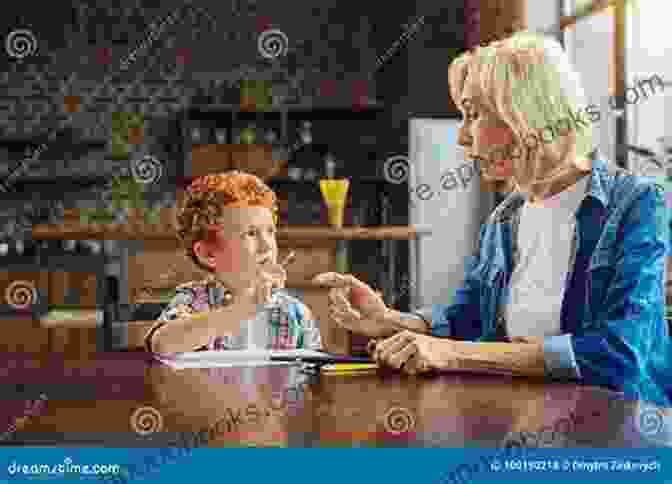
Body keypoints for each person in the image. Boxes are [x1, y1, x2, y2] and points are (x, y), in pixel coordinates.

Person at [314, 31, 672, 408]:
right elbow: (466, 321)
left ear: (524, 114)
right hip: (523, 427)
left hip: (622, 436)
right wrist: (391, 320)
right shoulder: (506, 218)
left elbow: (619, 355)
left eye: (474, 114)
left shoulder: (636, 204)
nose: (463, 137)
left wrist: (451, 353)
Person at [145, 171, 321, 353]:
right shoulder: (194, 302)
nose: (266, 245)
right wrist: (243, 310)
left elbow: (313, 373)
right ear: (208, 253)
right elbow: (162, 344)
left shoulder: (296, 315)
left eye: (270, 232)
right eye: (251, 233)